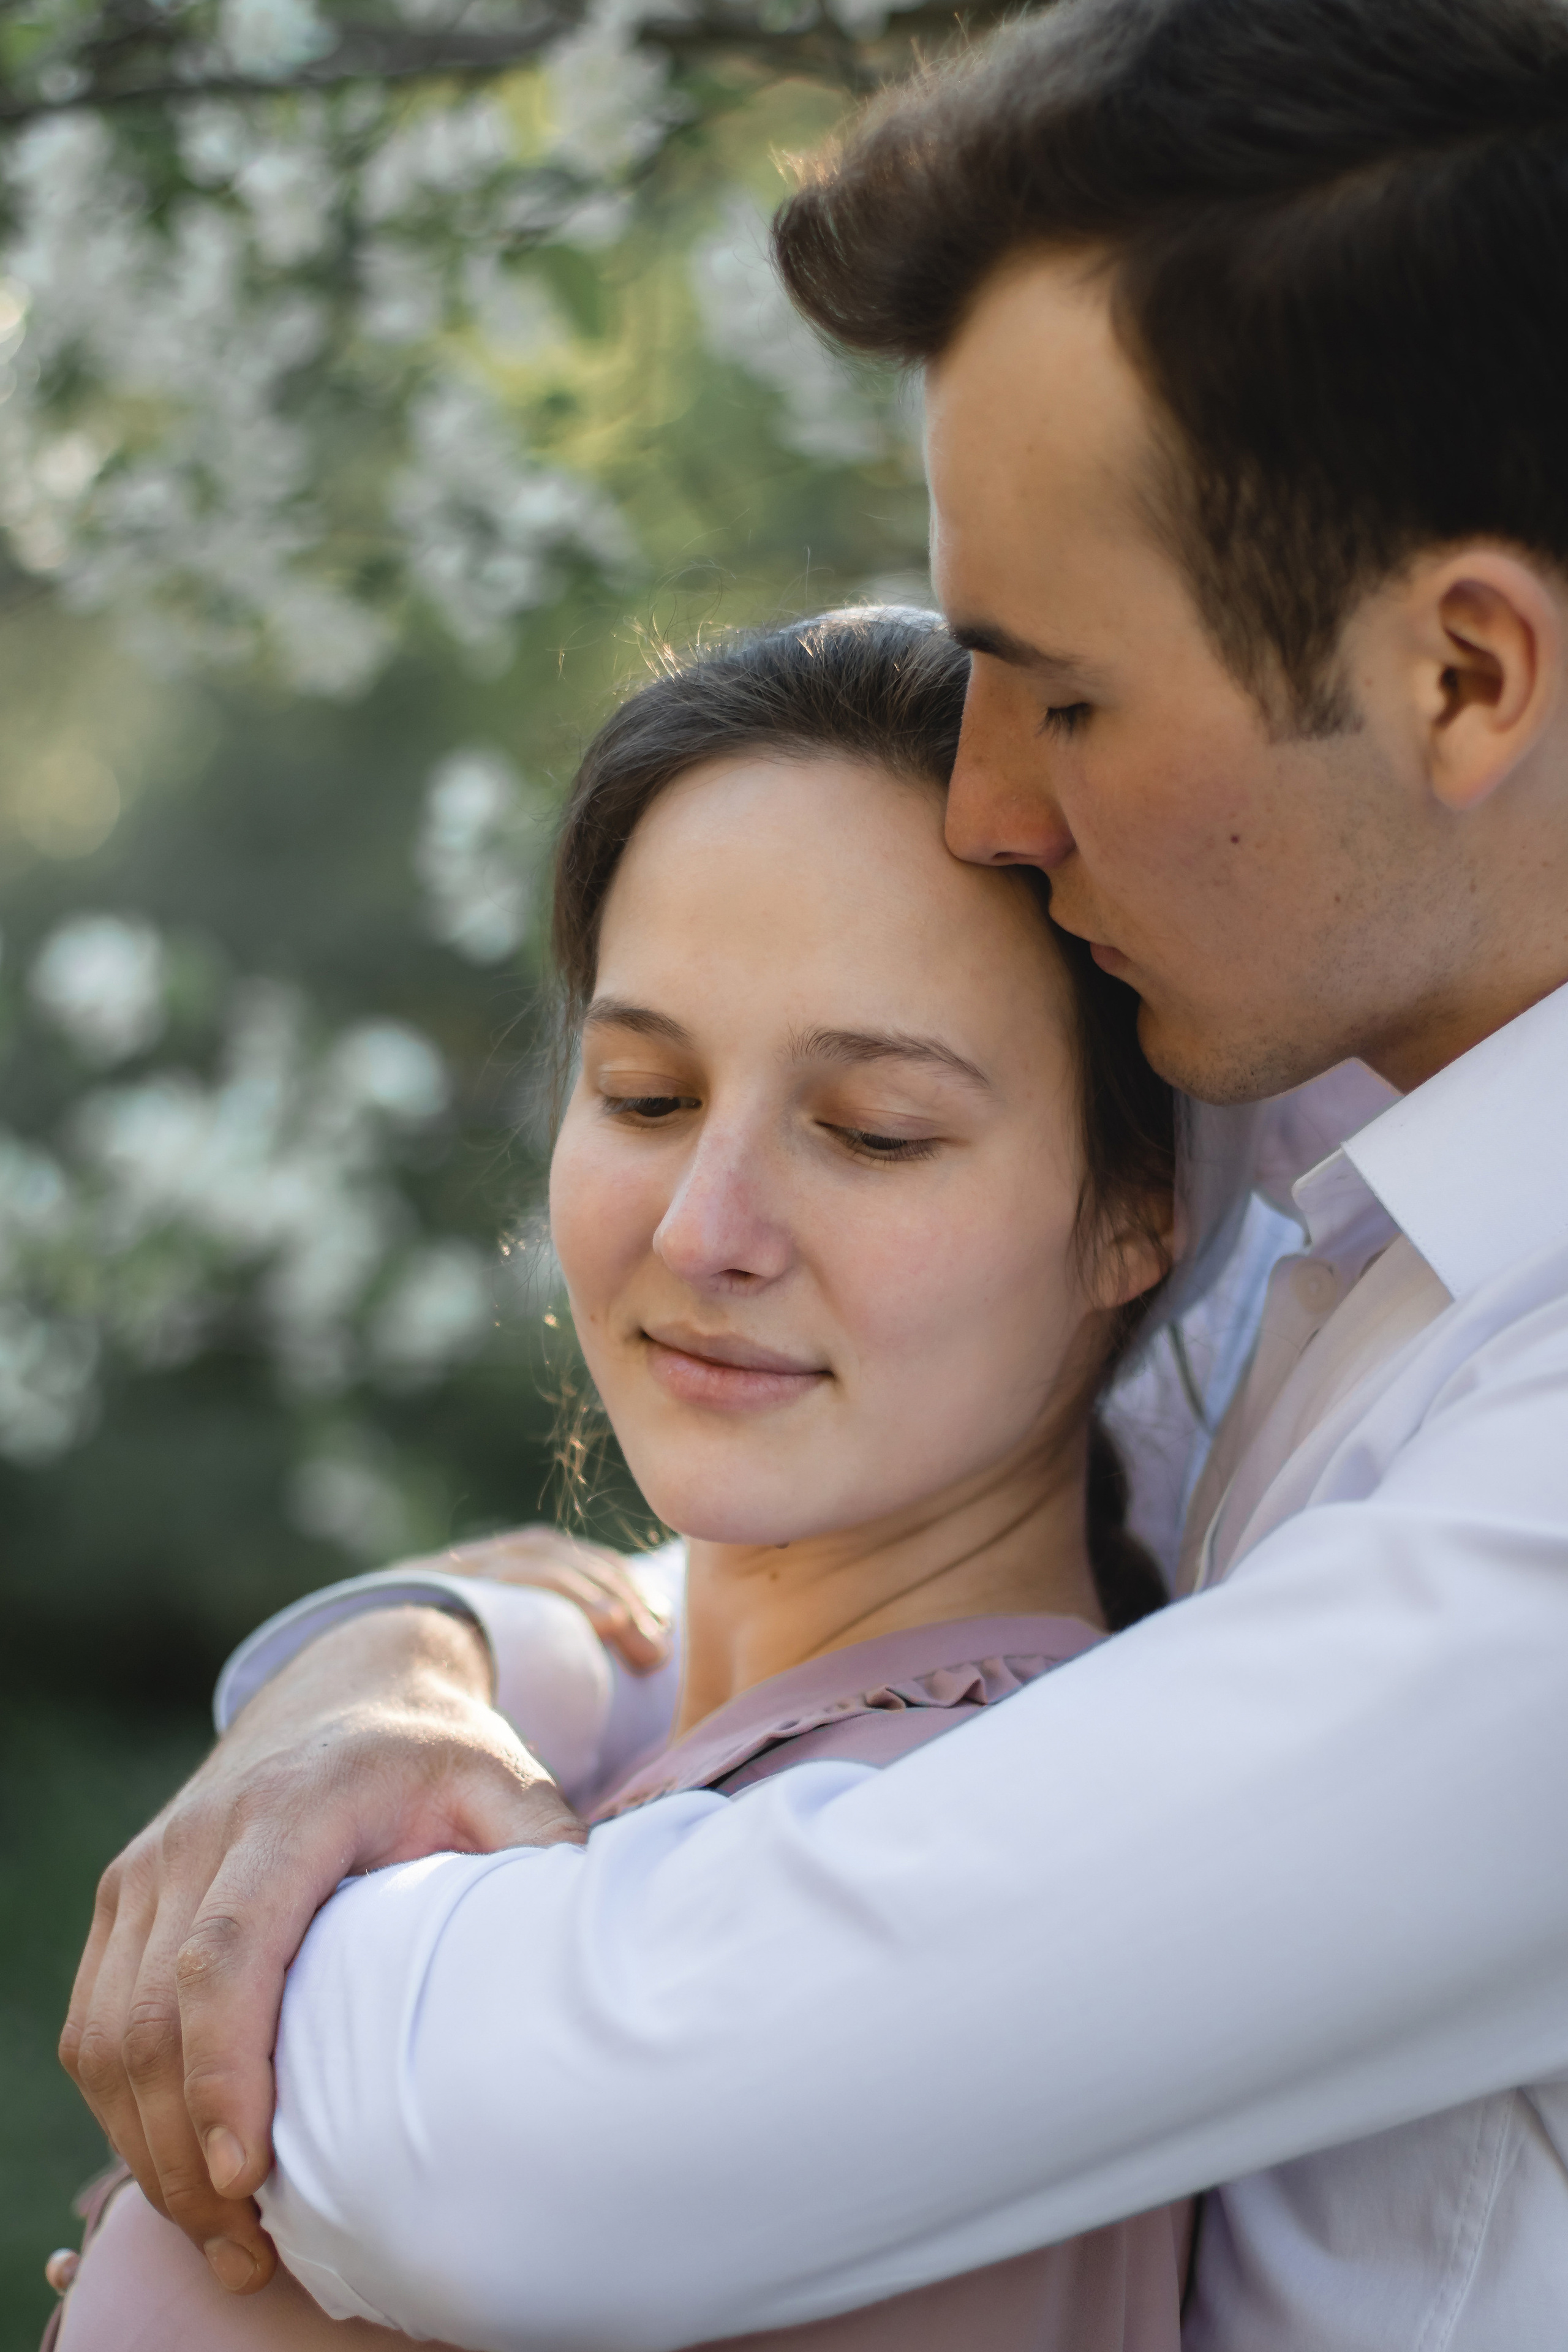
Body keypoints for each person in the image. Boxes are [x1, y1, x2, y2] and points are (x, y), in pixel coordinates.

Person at [55, 1, 1568, 2345]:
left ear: (1470, 680)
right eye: (644, 1089)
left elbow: (533, 2146)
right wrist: (391, 1678)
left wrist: (226, 2060)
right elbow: (763, 1552)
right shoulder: (1325, 1097)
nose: (986, 802)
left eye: (1061, 694)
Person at [53, 610, 1199, 2350]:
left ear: (1135, 1204)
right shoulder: (609, 1722)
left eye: (876, 1130)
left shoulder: (965, 1888)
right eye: (649, 1095)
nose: (704, 1229)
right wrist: (403, 1646)